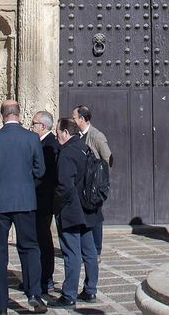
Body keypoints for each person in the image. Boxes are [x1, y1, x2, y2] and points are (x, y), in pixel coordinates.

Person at [0, 100, 48, 315]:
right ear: (19, 114)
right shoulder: (31, 138)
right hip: (25, 200)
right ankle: (34, 294)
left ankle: (0, 306)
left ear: (2, 116)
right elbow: (40, 170)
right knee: (29, 247)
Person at [49, 118, 101, 306]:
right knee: (89, 251)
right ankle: (90, 290)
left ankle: (69, 295)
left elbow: (65, 185)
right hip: (87, 208)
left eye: (58, 132)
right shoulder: (83, 147)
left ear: (66, 132)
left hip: (71, 209)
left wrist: (56, 206)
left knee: (72, 253)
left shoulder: (67, 153)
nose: (56, 136)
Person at [71, 107, 111, 252]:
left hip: (93, 185)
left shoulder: (97, 135)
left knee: (95, 218)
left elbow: (107, 158)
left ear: (82, 119)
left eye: (74, 117)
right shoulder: (76, 135)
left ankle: (96, 249)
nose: (73, 120)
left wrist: (100, 180)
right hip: (81, 185)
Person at [32, 110, 59, 296]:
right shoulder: (43, 143)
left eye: (33, 123)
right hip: (39, 200)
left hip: (43, 200)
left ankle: (45, 279)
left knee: (43, 240)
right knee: (38, 239)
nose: (30, 126)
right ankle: (39, 277)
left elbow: (44, 176)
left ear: (42, 126)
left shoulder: (49, 145)